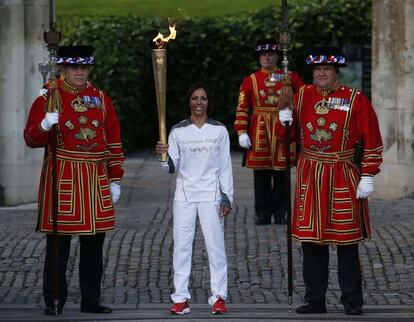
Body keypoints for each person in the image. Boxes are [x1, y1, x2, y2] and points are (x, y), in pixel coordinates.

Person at [279, 46, 383, 315]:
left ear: (336, 72)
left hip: (341, 173)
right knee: (311, 241)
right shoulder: (301, 96)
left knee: (346, 241)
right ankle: (315, 300)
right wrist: (284, 122)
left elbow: (372, 139)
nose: (322, 73)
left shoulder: (355, 99)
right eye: (317, 70)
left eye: (326, 69)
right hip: (310, 175)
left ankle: (352, 301)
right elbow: (287, 140)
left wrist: (368, 174)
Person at [24, 45, 124, 315]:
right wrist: (44, 125)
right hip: (63, 176)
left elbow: (113, 139)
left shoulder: (101, 99)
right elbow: (31, 139)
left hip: (94, 177)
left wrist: (116, 178)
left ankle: (90, 300)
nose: (79, 72)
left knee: (94, 245)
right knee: (58, 246)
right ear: (64, 69)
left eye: (84, 67)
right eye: (73, 67)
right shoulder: (48, 97)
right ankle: (54, 299)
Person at [155, 83, 233, 315]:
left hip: (211, 196)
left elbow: (225, 167)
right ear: (189, 102)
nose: (199, 103)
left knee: (215, 248)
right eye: (195, 99)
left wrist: (227, 198)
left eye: (204, 99)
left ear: (209, 102)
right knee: (182, 247)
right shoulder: (178, 131)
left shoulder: (219, 130)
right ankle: (180, 298)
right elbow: (171, 167)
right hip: (185, 196)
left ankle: (218, 297)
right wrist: (163, 155)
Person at [234, 38, 303, 225]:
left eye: (270, 54)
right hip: (259, 130)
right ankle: (262, 213)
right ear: (258, 57)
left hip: (283, 126)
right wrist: (241, 131)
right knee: (261, 174)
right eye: (263, 54)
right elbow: (242, 108)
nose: (266, 58)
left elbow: (303, 100)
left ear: (277, 57)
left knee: (282, 174)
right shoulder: (250, 80)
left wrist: (292, 114)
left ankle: (281, 213)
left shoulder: (290, 77)